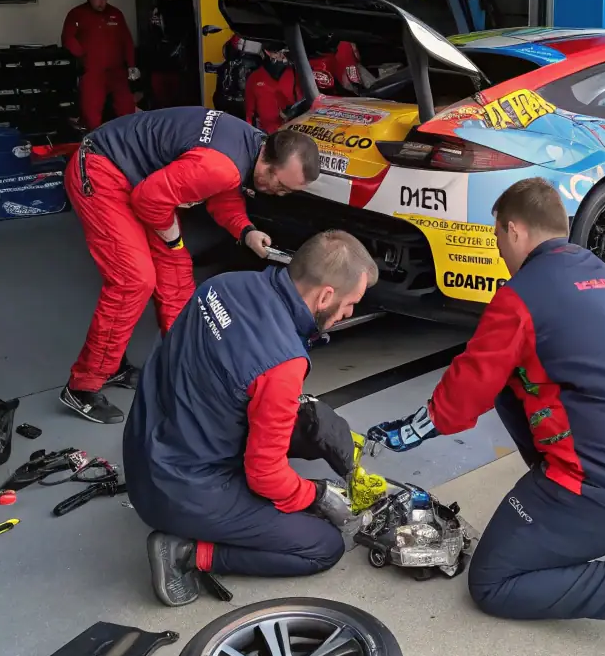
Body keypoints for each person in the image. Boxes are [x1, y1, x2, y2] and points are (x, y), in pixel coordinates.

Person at [369, 177, 605, 656]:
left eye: (497, 236)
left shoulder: (522, 297)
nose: (498, 249)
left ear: (514, 229)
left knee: (494, 580)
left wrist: (407, 433)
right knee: (518, 385)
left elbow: (462, 395)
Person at [126, 230, 377, 605]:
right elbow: (265, 475)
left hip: (143, 450)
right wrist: (316, 495)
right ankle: (186, 552)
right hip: (179, 491)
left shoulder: (225, 285)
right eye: (349, 304)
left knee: (312, 421)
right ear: (325, 295)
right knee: (322, 545)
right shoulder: (282, 363)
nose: (348, 313)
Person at [61, 108, 320, 425]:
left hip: (140, 180)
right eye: (280, 185)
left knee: (177, 277)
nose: (279, 194)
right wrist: (171, 238)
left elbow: (221, 194)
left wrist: (246, 231)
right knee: (134, 279)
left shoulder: (252, 144)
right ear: (268, 159)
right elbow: (150, 199)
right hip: (102, 170)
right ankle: (82, 385)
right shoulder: (223, 165)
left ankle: (181, 370)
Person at [62, 0, 139, 130]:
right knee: (91, 114)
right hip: (92, 72)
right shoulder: (77, 14)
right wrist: (82, 56)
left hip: (117, 72)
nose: (101, 2)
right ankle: (94, 147)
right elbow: (67, 38)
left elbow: (127, 41)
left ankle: (128, 142)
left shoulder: (116, 14)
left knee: (127, 110)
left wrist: (131, 65)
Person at [244, 47, 301, 133]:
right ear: (267, 52)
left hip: (291, 130)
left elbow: (302, 101)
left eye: (283, 52)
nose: (281, 56)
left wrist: (293, 112)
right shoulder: (255, 77)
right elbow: (249, 111)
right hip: (265, 131)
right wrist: (251, 132)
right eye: (277, 52)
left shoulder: (294, 73)